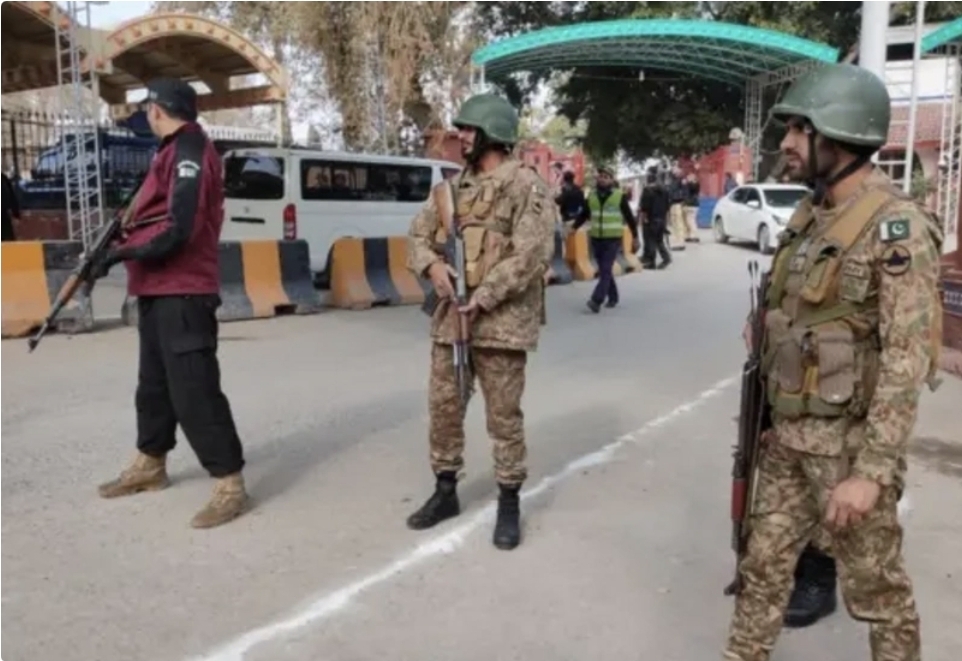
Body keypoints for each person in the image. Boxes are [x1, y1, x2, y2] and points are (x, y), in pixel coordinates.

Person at [723, 63, 942, 661]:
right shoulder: (807, 219)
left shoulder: (895, 228)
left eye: (800, 130)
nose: (787, 144)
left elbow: (905, 357)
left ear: (838, 134)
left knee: (879, 596)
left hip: (846, 449)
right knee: (761, 573)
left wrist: (870, 473)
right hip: (786, 436)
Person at [93, 78, 249, 530]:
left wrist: (121, 254)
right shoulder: (168, 152)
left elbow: (179, 227)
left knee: (194, 389)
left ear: (157, 110)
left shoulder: (190, 151)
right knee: (154, 386)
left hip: (184, 289)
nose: (145, 116)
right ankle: (150, 463)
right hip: (157, 289)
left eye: (146, 110)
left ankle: (229, 483)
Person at [405, 92, 555, 551]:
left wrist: (484, 297)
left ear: (492, 132)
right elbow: (417, 236)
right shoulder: (451, 191)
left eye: (469, 130)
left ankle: (508, 499)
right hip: (452, 321)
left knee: (503, 417)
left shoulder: (525, 185)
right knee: (444, 408)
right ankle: (445, 489)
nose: (461, 137)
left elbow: (532, 254)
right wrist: (431, 267)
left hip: (502, 323)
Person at [571, 165, 640, 312]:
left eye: (606, 177)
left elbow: (629, 217)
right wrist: (574, 227)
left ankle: (596, 300)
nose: (602, 179)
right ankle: (613, 296)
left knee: (606, 268)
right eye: (600, 176)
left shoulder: (619, 196)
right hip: (596, 238)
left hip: (613, 238)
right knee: (604, 270)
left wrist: (635, 236)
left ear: (611, 180)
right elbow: (584, 214)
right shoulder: (592, 196)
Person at [639, 168, 672, 270]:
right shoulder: (665, 190)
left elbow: (644, 207)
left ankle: (652, 262)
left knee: (651, 241)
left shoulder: (647, 190)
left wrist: (643, 219)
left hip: (651, 218)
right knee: (659, 240)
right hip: (661, 219)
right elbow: (667, 206)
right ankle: (666, 258)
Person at [2, 172, 20, 242]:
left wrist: (16, 213)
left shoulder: (3, 178)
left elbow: (11, 196)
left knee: (7, 242)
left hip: (4, 217)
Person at [683, 173, 701, 243]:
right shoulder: (695, 184)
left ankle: (693, 236)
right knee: (689, 221)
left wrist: (686, 183)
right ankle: (690, 235)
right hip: (693, 204)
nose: (687, 179)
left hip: (691, 204)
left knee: (691, 221)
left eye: (689, 177)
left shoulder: (692, 185)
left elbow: (692, 188)